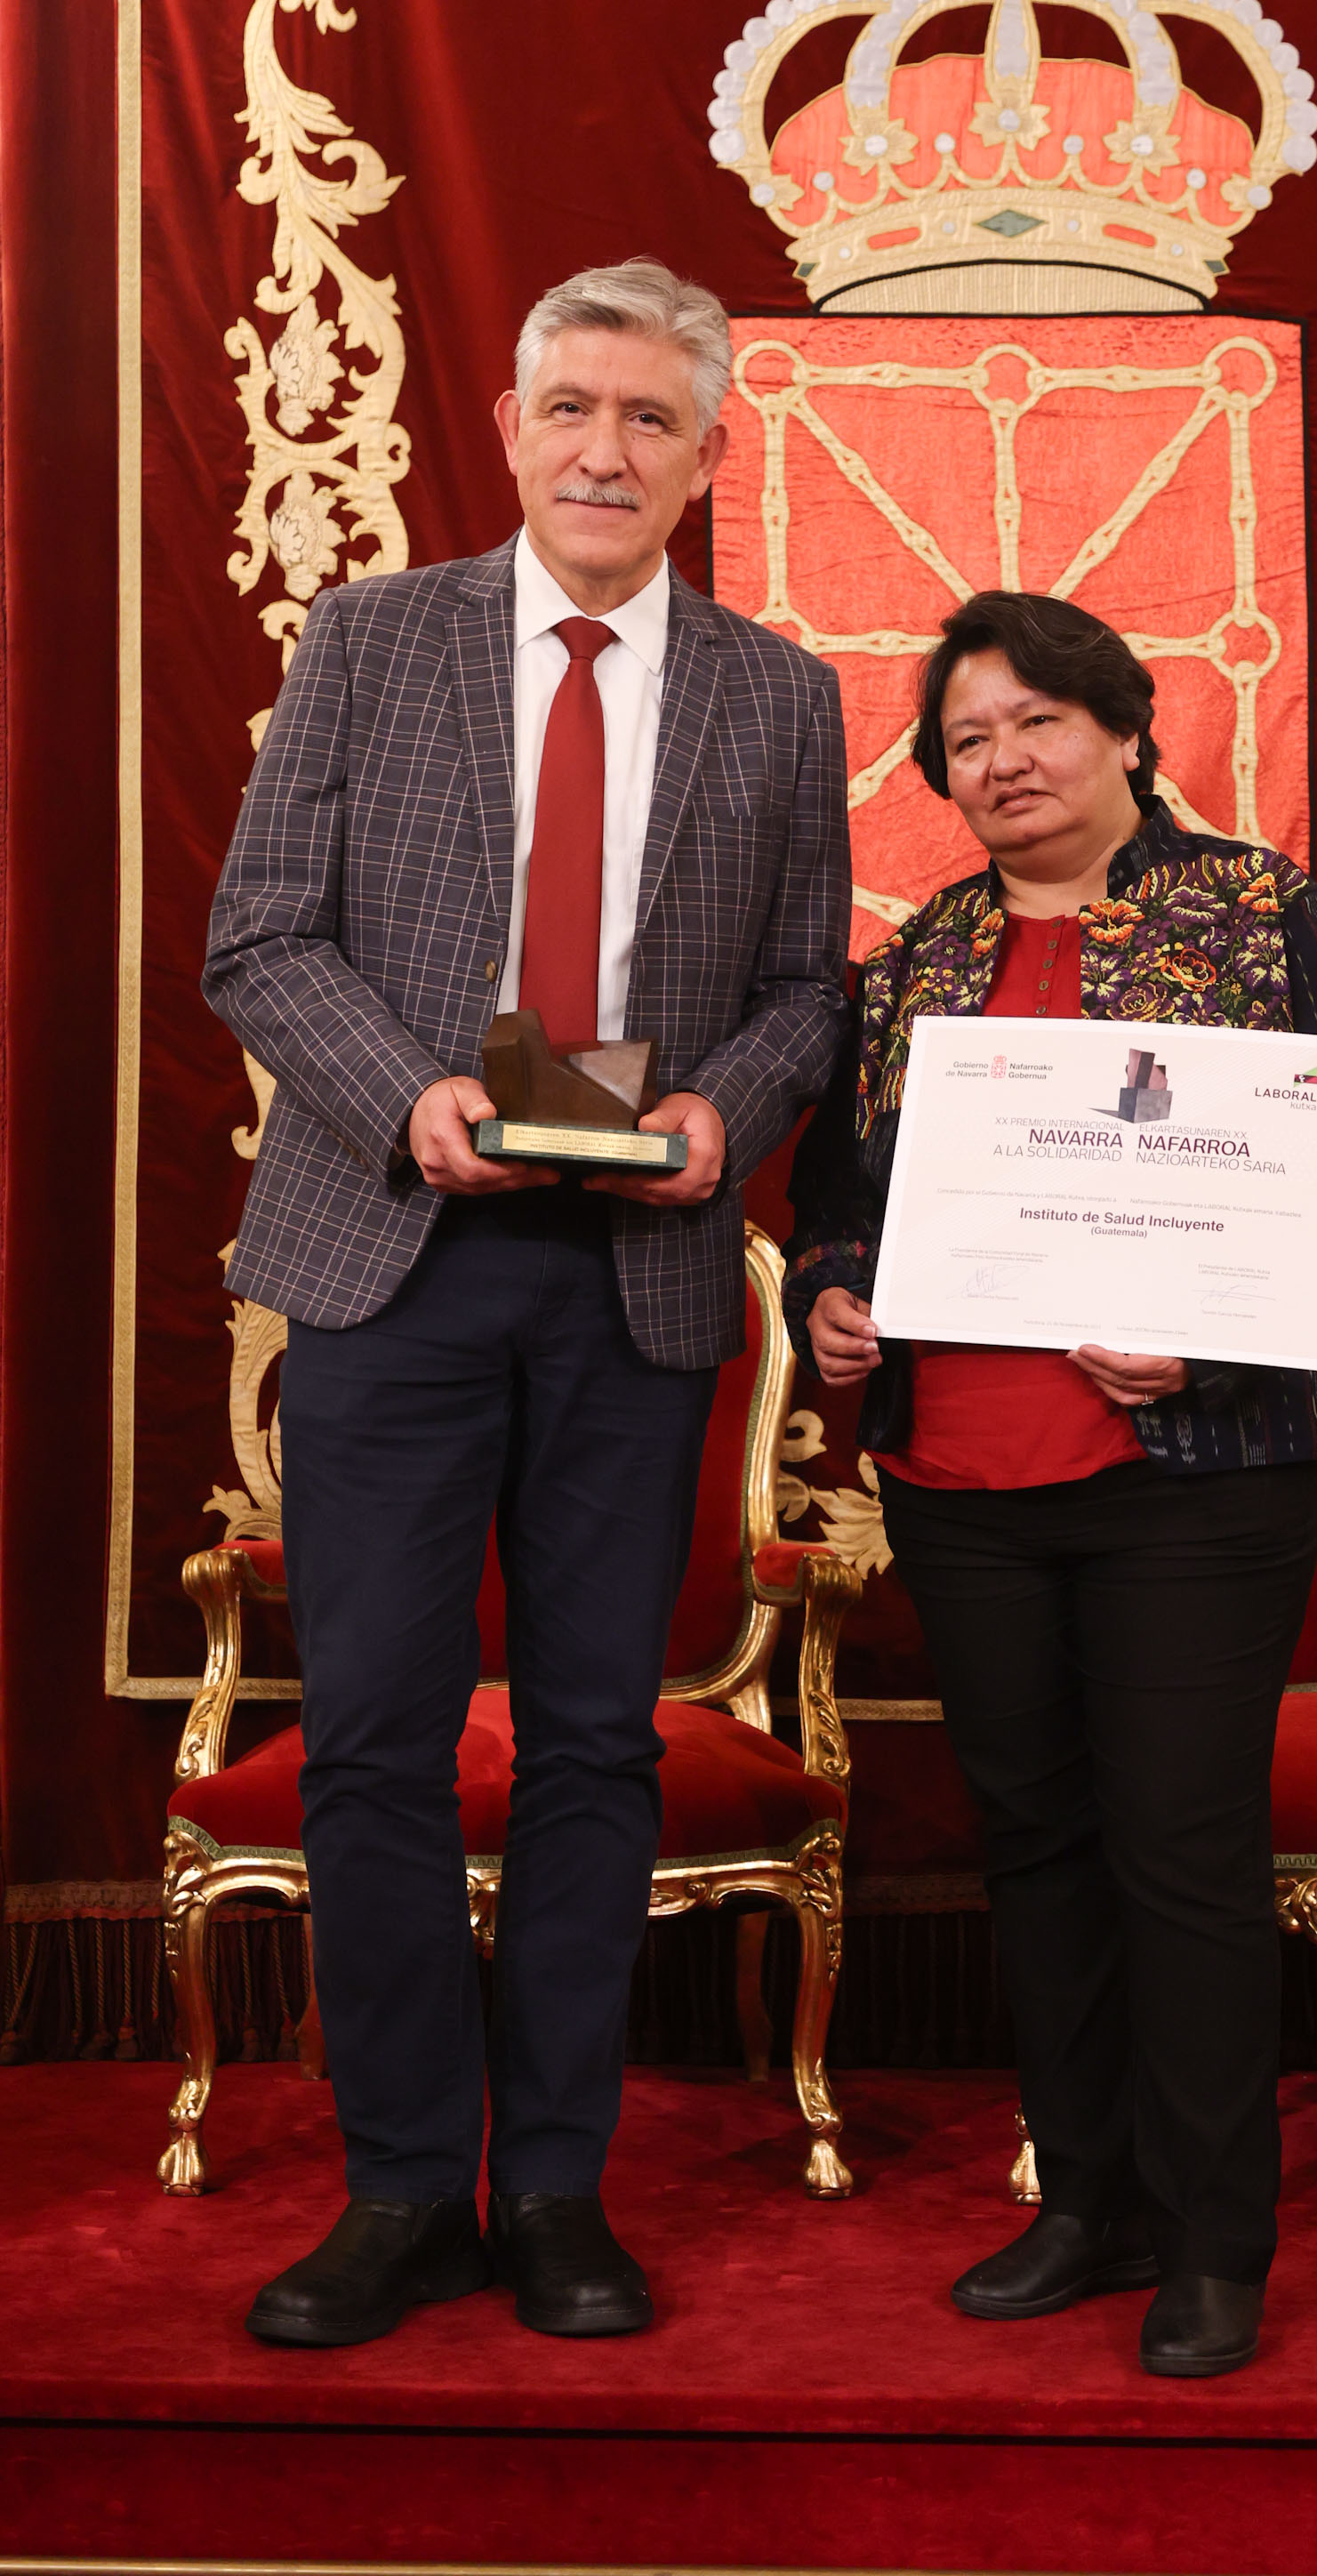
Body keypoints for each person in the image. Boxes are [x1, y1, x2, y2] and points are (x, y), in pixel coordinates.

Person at [205, 258, 849, 2347]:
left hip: (634, 1284)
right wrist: (410, 1099)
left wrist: (724, 1107)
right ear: (505, 428)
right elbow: (257, 936)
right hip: (390, 1256)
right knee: (373, 1744)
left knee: (592, 1745)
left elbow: (805, 990)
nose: (602, 448)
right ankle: (403, 2188)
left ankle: (557, 2186)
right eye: (570, 407)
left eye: (648, 418)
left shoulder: (778, 692)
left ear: (705, 456)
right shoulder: (371, 639)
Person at [784, 590, 1317, 2379]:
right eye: (965, 740)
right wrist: (833, 1288)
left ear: (1126, 730)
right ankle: (1086, 2201)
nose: (1003, 762)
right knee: (1038, 1849)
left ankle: (1213, 2239)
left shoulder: (1262, 915)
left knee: (1180, 1849)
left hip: (1190, 1473)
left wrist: (1215, 1335)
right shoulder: (914, 960)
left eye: (1036, 722)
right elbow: (833, 1191)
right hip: (959, 1474)